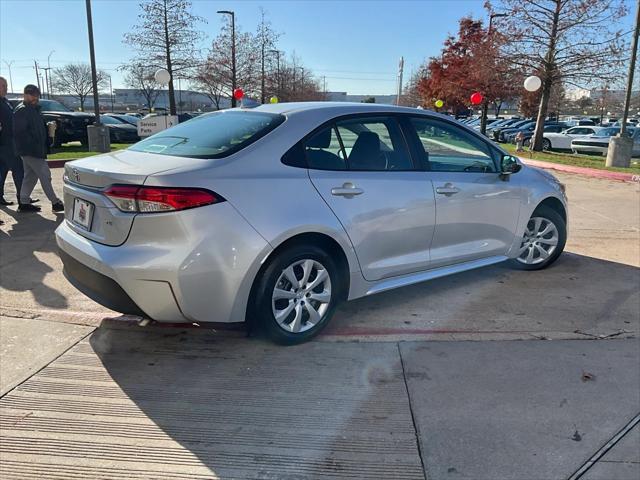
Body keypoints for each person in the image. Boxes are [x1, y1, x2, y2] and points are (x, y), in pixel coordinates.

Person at [13, 84, 63, 213]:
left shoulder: (34, 109)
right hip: (31, 150)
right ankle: (55, 202)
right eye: (32, 95)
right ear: (25, 95)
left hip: (33, 149)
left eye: (36, 95)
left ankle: (24, 202)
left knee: (30, 176)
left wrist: (48, 129)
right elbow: (20, 133)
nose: (35, 97)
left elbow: (35, 129)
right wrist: (34, 145)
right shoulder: (22, 110)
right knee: (45, 175)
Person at [0, 75, 24, 206]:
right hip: (6, 144)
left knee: (2, 171)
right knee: (18, 169)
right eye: (3, 86)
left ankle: (0, 197)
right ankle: (23, 199)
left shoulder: (5, 102)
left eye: (6, 85)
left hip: (8, 142)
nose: (6, 88)